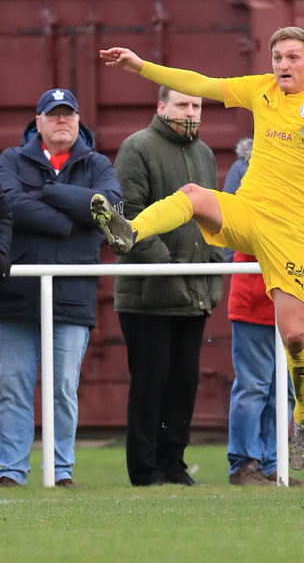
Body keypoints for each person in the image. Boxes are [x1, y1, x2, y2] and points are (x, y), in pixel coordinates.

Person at [95, 27, 304, 471]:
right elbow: (200, 83)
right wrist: (141, 67)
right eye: (277, 57)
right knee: (193, 193)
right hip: (248, 212)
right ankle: (130, 231)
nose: (283, 65)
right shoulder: (260, 89)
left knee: (293, 336)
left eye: (292, 57)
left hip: (289, 232)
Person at [0, 88, 121, 488]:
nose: (61, 120)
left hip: (72, 296)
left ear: (78, 120)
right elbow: (8, 203)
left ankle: (61, 471)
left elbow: (112, 207)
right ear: (37, 122)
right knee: (13, 389)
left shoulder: (97, 163)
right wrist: (72, 217)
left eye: (68, 114)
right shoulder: (11, 160)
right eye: (53, 115)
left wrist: (47, 193)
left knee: (63, 389)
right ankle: (11, 472)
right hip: (15, 299)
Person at [226, 138, 304, 486]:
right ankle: (243, 464)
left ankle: (272, 465)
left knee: (285, 390)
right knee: (253, 386)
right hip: (258, 297)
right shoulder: (268, 176)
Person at [113, 87, 224, 486]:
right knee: (150, 383)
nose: (190, 111)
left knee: (183, 385)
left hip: (195, 293)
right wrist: (167, 266)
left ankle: (173, 464)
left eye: (196, 105)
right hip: (148, 294)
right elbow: (129, 213)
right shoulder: (137, 147)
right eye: (182, 104)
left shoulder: (205, 154)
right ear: (161, 107)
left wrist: (214, 261)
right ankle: (145, 470)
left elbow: (213, 214)